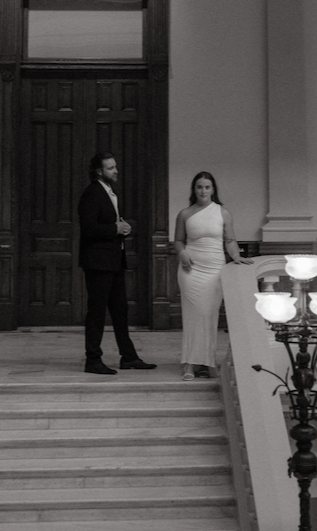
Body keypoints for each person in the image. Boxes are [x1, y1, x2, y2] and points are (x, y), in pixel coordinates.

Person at [78, 152, 156, 375]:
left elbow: (106, 224)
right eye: (111, 168)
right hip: (98, 262)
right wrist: (115, 228)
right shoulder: (92, 193)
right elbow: (88, 228)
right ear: (99, 172)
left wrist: (122, 228)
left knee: (120, 310)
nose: (116, 170)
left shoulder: (110, 193)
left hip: (113, 261)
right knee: (97, 312)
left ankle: (128, 357)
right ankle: (93, 360)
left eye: (115, 167)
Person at [173, 171, 252, 380]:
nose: (203, 191)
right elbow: (178, 240)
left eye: (207, 187)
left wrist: (236, 256)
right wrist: (182, 254)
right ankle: (189, 363)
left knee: (209, 316)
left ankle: (208, 362)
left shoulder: (223, 212)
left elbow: (229, 240)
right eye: (199, 187)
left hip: (215, 271)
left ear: (213, 189)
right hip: (190, 271)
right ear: (194, 189)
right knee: (192, 317)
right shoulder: (185, 214)